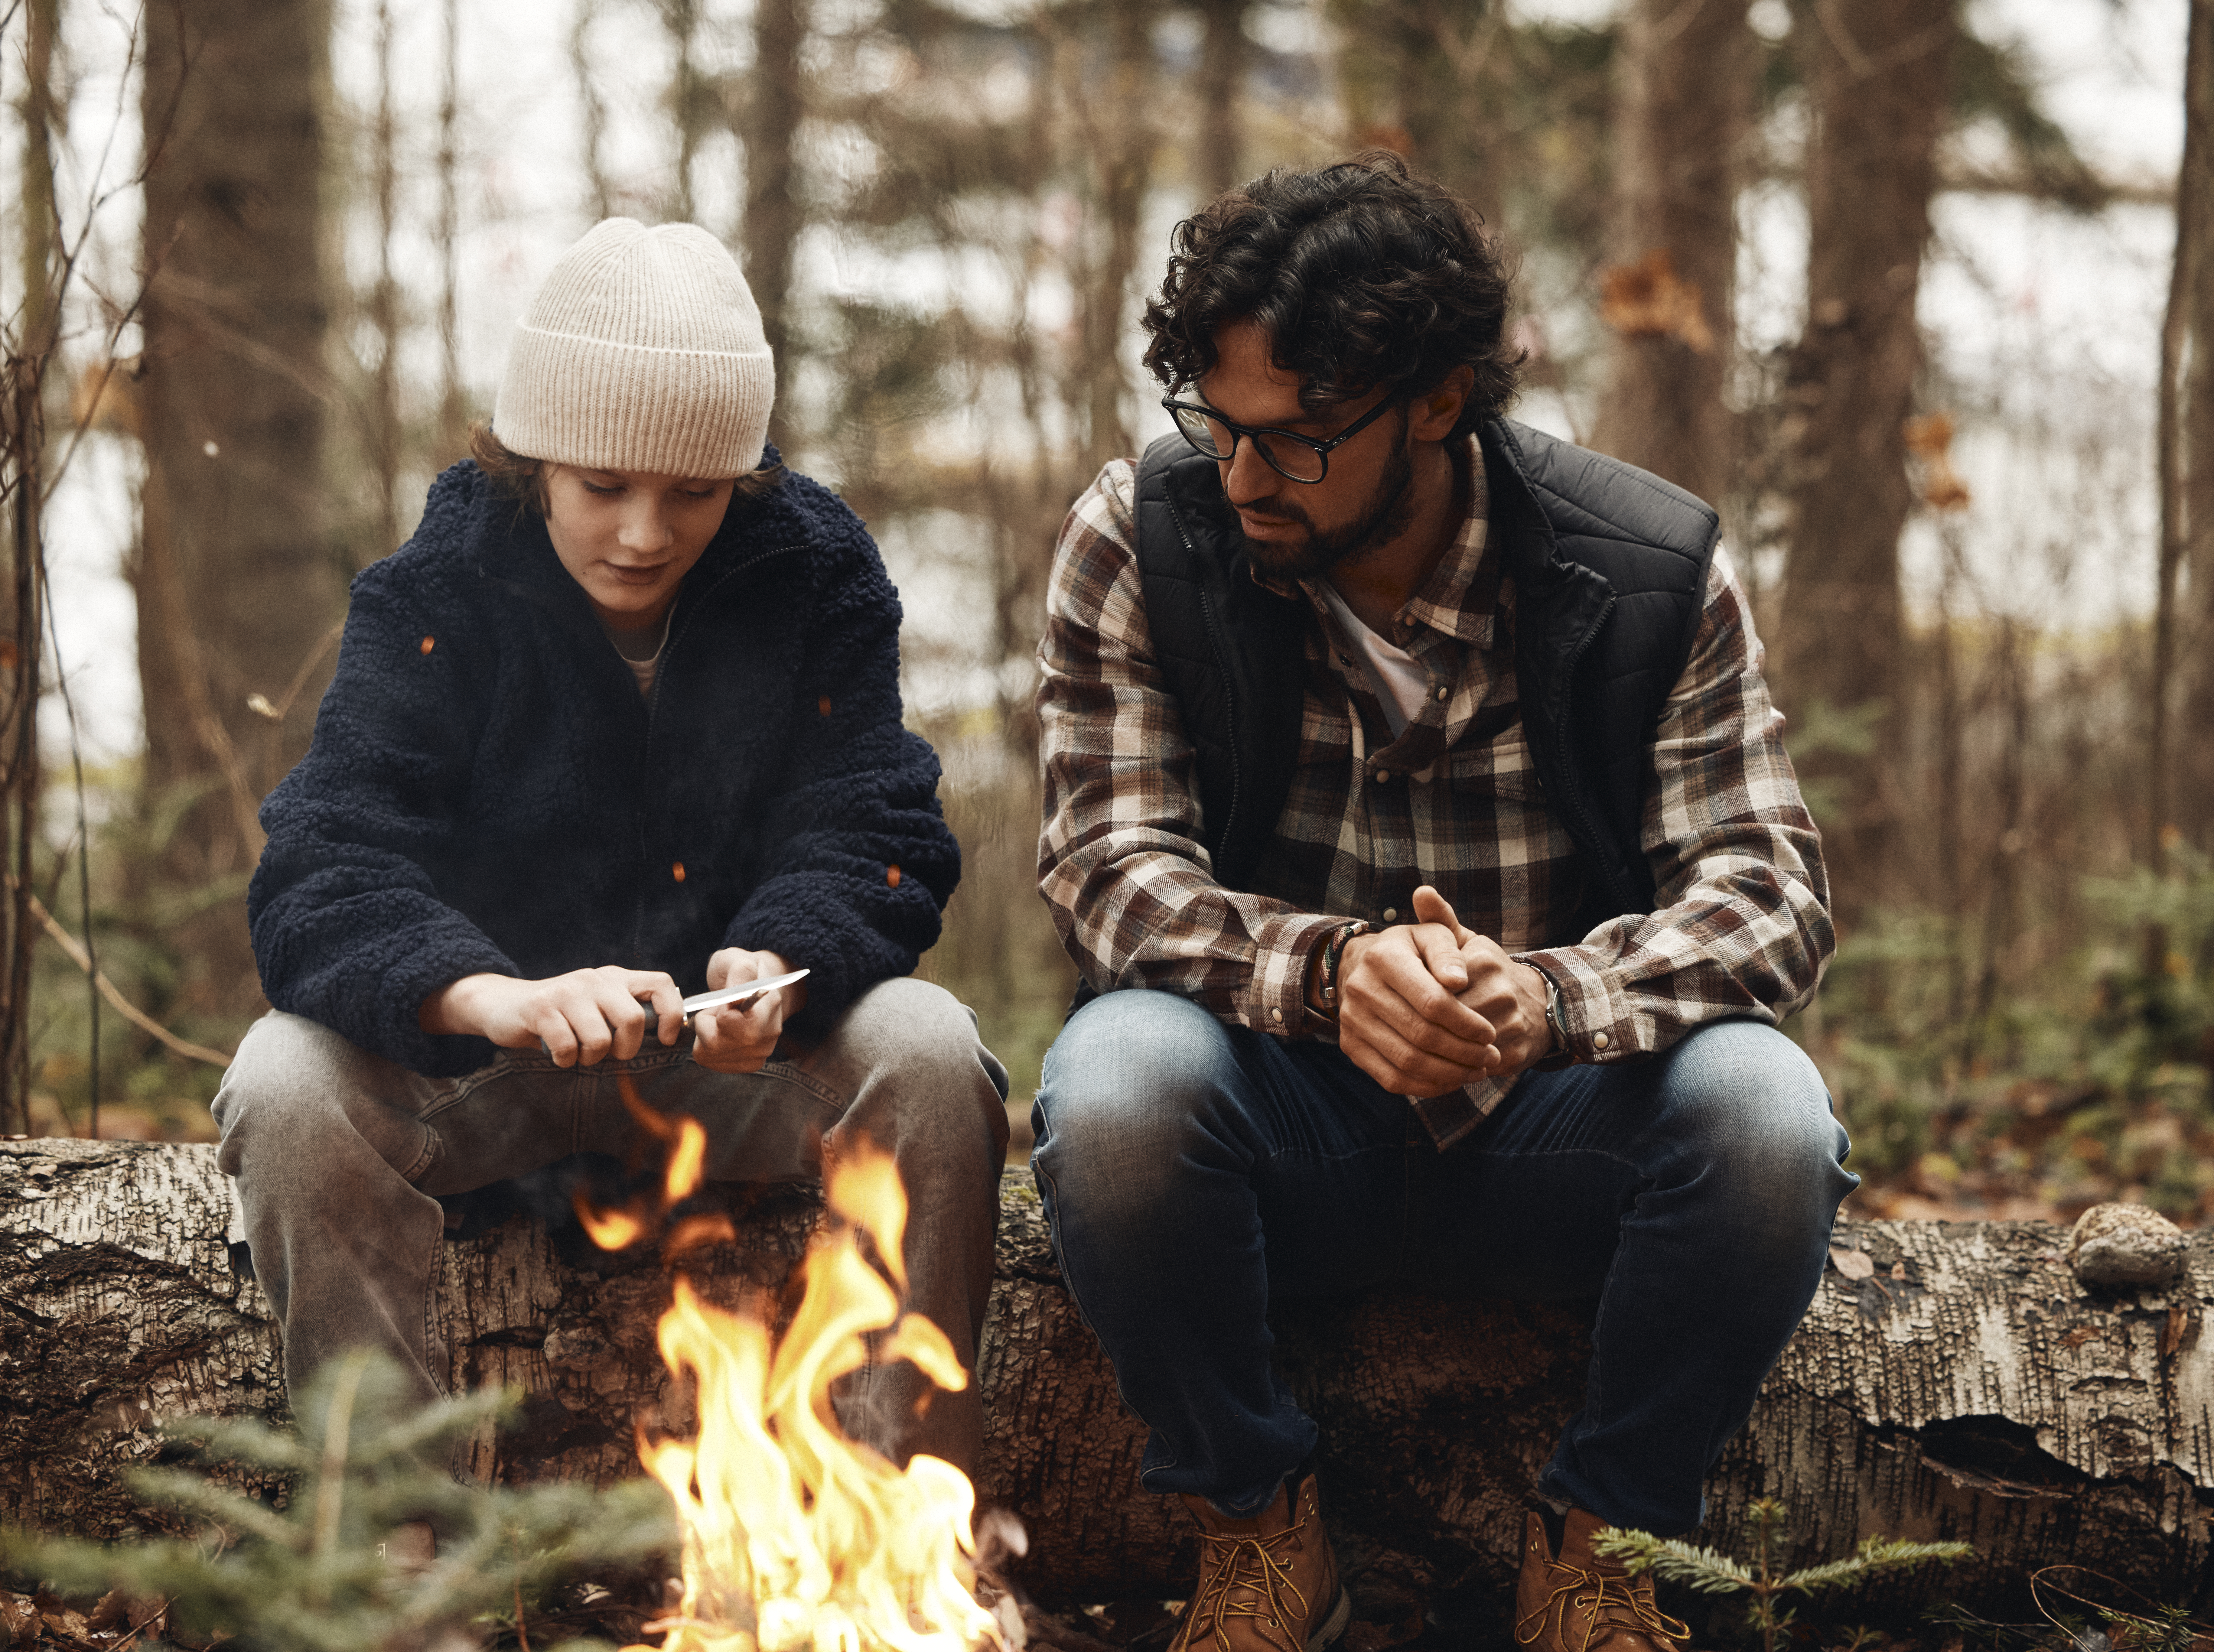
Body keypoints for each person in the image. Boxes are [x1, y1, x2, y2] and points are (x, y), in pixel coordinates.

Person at [1030, 152, 1853, 1652]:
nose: (1240, 475)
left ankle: (1606, 1550)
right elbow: (1107, 866)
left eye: (1298, 440)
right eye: (1215, 425)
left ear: (1438, 397)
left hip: (1557, 1123)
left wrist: (1546, 1002)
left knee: (1765, 1115)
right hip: (1280, 1120)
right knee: (1115, 1080)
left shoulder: (1645, 569)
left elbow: (1767, 887)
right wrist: (1336, 977)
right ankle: (1257, 1531)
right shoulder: (1147, 539)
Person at [213, 219, 1010, 1513]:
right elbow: (323, 867)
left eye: (693, 493)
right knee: (284, 1079)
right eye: (603, 486)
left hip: (723, 1067)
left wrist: (781, 961)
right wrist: (484, 996)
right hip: (485, 1072)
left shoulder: (816, 576)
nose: (644, 533)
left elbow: (874, 826)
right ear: (532, 463)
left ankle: (889, 1532)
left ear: (740, 479)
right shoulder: (433, 594)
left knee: (926, 1048)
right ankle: (393, 1567)